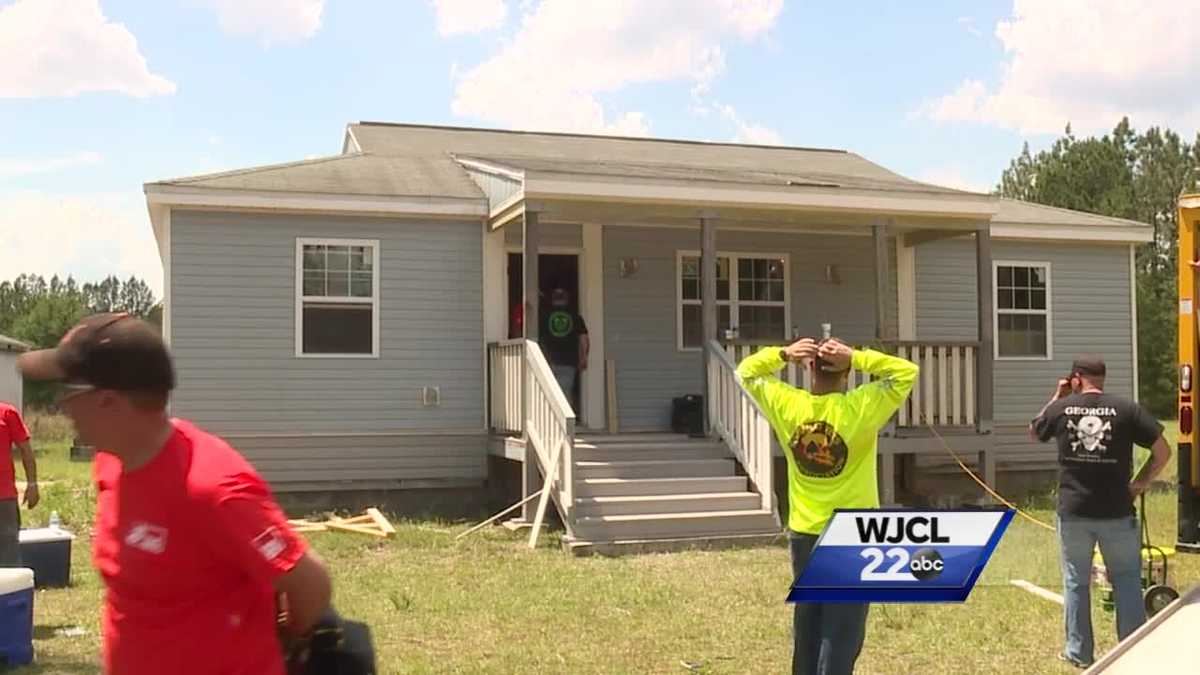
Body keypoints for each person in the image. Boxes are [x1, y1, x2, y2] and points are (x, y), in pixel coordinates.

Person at [17, 312, 333, 675]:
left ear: (107, 401)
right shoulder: (110, 463)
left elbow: (310, 584)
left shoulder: (214, 490)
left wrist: (287, 640)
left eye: (68, 392)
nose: (62, 405)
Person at [738, 336, 918, 675]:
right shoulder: (861, 407)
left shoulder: (788, 404)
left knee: (809, 624)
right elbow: (906, 372)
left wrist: (783, 354)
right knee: (842, 630)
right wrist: (858, 357)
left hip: (805, 531)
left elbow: (746, 372)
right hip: (852, 532)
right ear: (846, 374)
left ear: (809, 369)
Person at [1030, 354, 1171, 669]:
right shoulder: (1127, 409)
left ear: (1076, 378)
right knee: (1126, 579)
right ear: (1103, 378)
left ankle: (1079, 653)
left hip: (1074, 512)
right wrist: (1139, 484)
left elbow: (1035, 431)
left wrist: (1058, 396)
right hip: (1117, 511)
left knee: (1076, 582)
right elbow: (1163, 451)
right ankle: (1133, 650)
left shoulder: (1062, 408)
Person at [0, 399, 38, 567]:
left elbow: (26, 450)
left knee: (8, 551)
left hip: (4, 497)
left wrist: (32, 485)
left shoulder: (7, 413)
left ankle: (11, 592)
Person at [539, 287, 589, 411]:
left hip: (547, 361)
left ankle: (548, 425)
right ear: (566, 299)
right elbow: (584, 339)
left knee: (546, 395)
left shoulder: (544, 317)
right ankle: (566, 428)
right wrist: (583, 358)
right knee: (565, 396)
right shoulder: (575, 317)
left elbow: (537, 338)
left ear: (553, 299)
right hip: (568, 362)